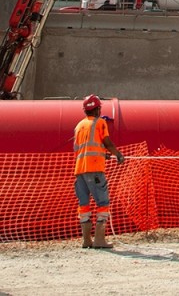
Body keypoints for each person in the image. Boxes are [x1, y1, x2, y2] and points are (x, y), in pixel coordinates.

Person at [73, 94, 124, 248]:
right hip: (94, 170)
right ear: (97, 110)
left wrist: (103, 155)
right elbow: (107, 142)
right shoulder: (100, 123)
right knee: (103, 203)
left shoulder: (79, 126)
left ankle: (87, 240)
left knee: (84, 205)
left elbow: (82, 149)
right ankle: (100, 240)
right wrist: (118, 154)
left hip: (80, 170)